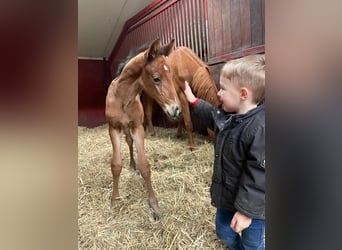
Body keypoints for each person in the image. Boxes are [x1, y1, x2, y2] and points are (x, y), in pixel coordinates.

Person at [183, 54, 265, 250]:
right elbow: (213, 116)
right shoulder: (229, 116)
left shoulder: (261, 129)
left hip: (254, 208)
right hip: (228, 196)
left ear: (243, 94)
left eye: (223, 89)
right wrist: (193, 100)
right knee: (223, 231)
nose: (218, 94)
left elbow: (260, 176)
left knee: (252, 243)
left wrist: (246, 212)